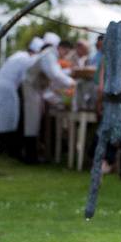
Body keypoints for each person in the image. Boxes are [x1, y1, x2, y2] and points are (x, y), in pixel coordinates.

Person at [0, 37, 42, 157]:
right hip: (8, 89)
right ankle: (4, 148)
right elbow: (26, 80)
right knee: (8, 120)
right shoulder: (27, 60)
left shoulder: (18, 55)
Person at [21, 32, 74, 163]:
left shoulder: (51, 55)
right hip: (31, 87)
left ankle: (33, 154)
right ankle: (30, 157)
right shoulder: (49, 55)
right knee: (31, 122)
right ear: (62, 48)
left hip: (36, 88)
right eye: (65, 52)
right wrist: (72, 82)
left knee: (33, 122)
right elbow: (55, 75)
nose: (65, 56)